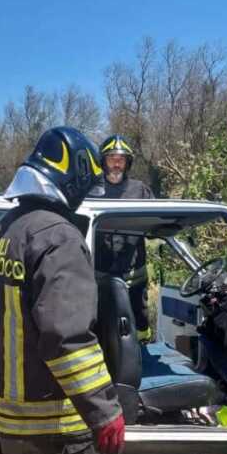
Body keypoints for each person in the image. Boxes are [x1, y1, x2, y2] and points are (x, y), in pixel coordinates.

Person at [0, 126, 125, 454]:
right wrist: (104, 412)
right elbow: (66, 338)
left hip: (9, 404)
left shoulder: (1, 231)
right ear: (71, 180)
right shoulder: (59, 237)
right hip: (54, 408)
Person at [95, 134, 154, 342]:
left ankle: (143, 349)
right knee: (101, 322)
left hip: (134, 273)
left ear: (128, 163)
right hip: (99, 274)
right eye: (112, 158)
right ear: (103, 162)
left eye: (121, 159)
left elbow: (155, 225)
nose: (116, 163)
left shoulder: (140, 190)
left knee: (139, 323)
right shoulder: (91, 189)